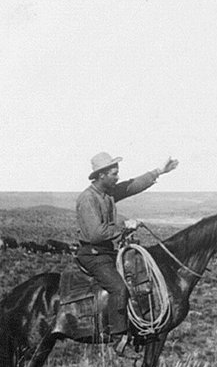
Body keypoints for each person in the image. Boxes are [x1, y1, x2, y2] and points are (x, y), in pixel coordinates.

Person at [76, 151, 178, 354]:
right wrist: (125, 226)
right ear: (101, 175)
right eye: (114, 173)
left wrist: (159, 171)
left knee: (139, 278)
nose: (118, 177)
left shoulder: (108, 193)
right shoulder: (88, 199)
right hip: (93, 254)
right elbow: (96, 234)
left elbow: (132, 186)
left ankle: (139, 329)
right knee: (119, 288)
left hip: (106, 252)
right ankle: (119, 340)